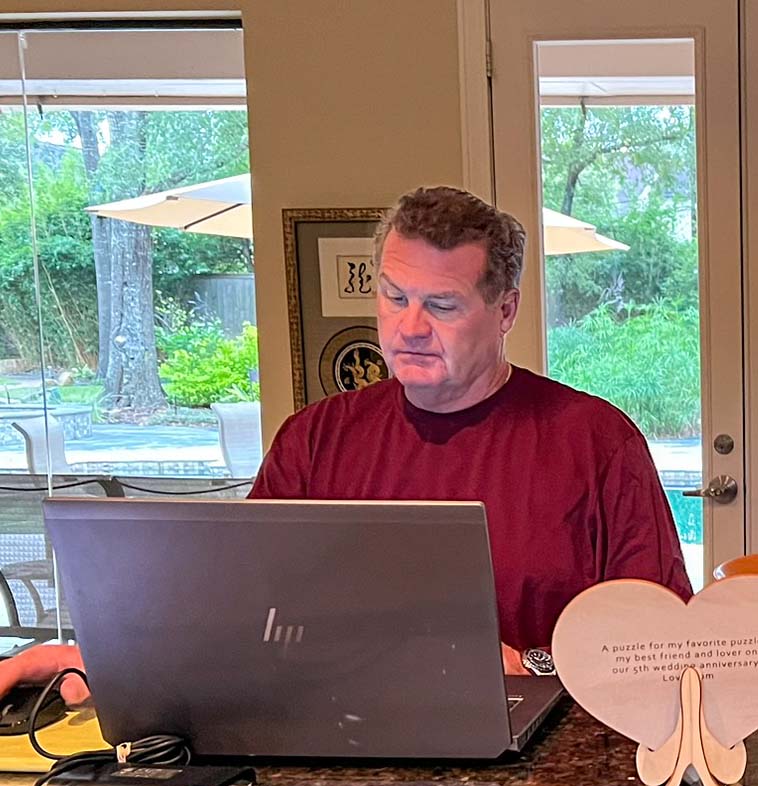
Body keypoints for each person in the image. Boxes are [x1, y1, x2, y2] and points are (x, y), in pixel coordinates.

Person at [0, 185, 691, 700]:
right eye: (394, 297)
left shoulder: (596, 443)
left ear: (504, 310)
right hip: (339, 751)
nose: (410, 327)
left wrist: (531, 663)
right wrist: (100, 660)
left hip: (541, 758)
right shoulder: (315, 440)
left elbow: (661, 643)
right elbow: (235, 616)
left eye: (442, 306)